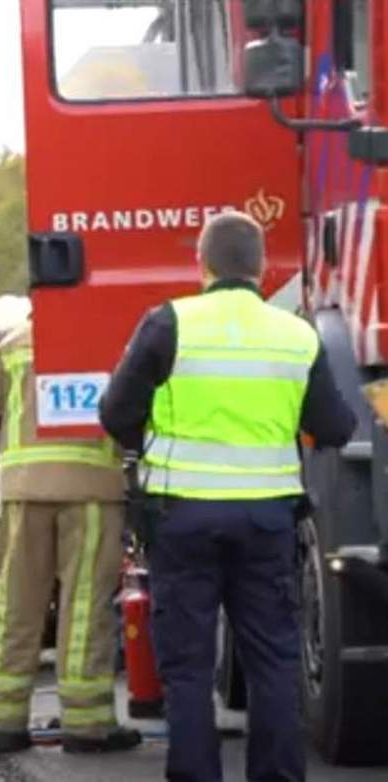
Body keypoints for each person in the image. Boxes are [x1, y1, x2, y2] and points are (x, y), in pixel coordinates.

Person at [99, 212, 355, 781]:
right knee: (273, 662)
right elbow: (335, 427)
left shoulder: (168, 323)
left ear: (203, 265)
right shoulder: (296, 335)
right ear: (263, 269)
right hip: (267, 523)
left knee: (188, 669)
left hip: (181, 520)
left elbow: (115, 413)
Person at [0, 294, 142, 755]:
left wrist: (19, 447)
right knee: (85, 606)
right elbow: (134, 414)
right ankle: (87, 725)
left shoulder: (11, 344)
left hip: (25, 491)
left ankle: (5, 722)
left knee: (15, 603)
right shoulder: (114, 339)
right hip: (92, 491)